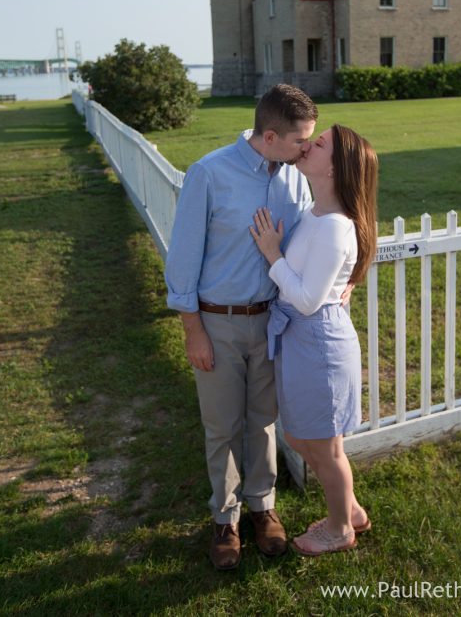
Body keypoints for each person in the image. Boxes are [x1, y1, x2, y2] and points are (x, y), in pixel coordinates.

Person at [164, 84, 318, 569]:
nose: (307, 149)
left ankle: (263, 507)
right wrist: (194, 331)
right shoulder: (208, 174)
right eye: (300, 141)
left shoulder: (294, 179)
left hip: (271, 321)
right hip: (218, 323)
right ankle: (225, 518)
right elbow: (183, 261)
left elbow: (305, 247)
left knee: (263, 421)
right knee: (222, 425)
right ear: (269, 136)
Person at [250, 123, 378, 556]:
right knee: (311, 440)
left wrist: (273, 253)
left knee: (322, 447)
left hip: (317, 342)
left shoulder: (332, 226)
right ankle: (352, 510)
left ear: (336, 167)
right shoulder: (315, 213)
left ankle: (340, 528)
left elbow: (305, 299)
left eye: (317, 143)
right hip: (303, 341)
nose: (306, 145)